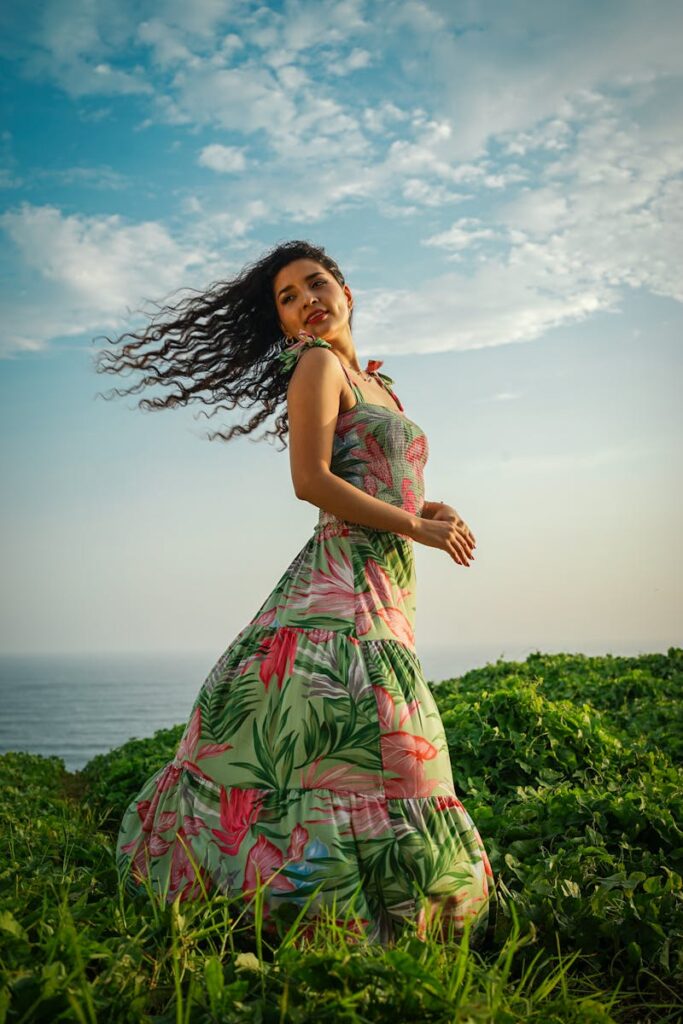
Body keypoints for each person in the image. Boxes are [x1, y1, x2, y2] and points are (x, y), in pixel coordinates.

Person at [97, 239, 497, 946]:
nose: (306, 301)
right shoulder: (314, 365)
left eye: (315, 285)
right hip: (337, 584)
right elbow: (310, 481)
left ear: (346, 292)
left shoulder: (377, 383)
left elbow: (383, 481)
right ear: (284, 324)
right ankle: (339, 910)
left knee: (353, 748)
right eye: (288, 297)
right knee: (378, 747)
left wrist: (431, 513)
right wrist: (412, 522)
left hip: (386, 580)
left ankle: (368, 908)